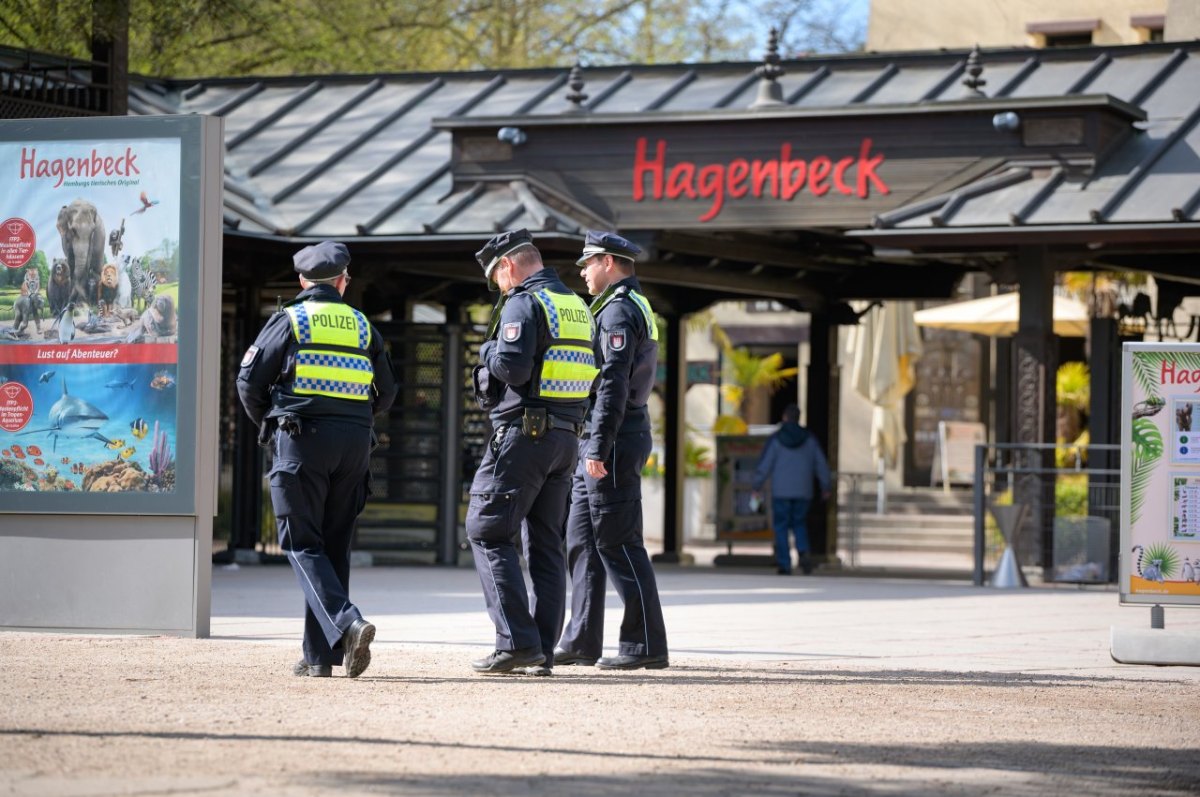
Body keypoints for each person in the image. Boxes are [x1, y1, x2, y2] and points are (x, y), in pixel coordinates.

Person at [236, 241, 398, 677]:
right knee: (333, 546)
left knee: (301, 542)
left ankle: (348, 622)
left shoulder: (290, 319)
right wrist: (352, 416)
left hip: (302, 440)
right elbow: (389, 392)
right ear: (344, 281)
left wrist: (269, 423)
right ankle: (319, 657)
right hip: (354, 445)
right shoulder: (364, 326)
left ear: (303, 281)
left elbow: (249, 383)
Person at [467, 228, 598, 676]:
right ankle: (541, 649)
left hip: (524, 435)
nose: (499, 288)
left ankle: (516, 642)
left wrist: (485, 349)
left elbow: (514, 368)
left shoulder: (525, 302)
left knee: (487, 530)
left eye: (496, 278)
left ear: (508, 265)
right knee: (545, 544)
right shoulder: (577, 306)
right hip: (565, 439)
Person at [554, 230, 669, 671]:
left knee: (619, 541)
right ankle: (581, 639)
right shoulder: (621, 304)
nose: (582, 272)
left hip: (614, 436)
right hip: (604, 435)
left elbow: (614, 385)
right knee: (583, 540)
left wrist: (597, 445)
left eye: (587, 264)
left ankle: (645, 646)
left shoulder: (619, 310)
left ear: (607, 261)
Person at [752, 404, 831, 575]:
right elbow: (821, 464)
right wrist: (825, 486)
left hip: (781, 491)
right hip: (804, 491)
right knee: (799, 524)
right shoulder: (809, 439)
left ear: (784, 417)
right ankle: (803, 553)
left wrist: (756, 485)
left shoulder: (776, 439)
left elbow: (765, 465)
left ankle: (784, 563)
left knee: (781, 527)